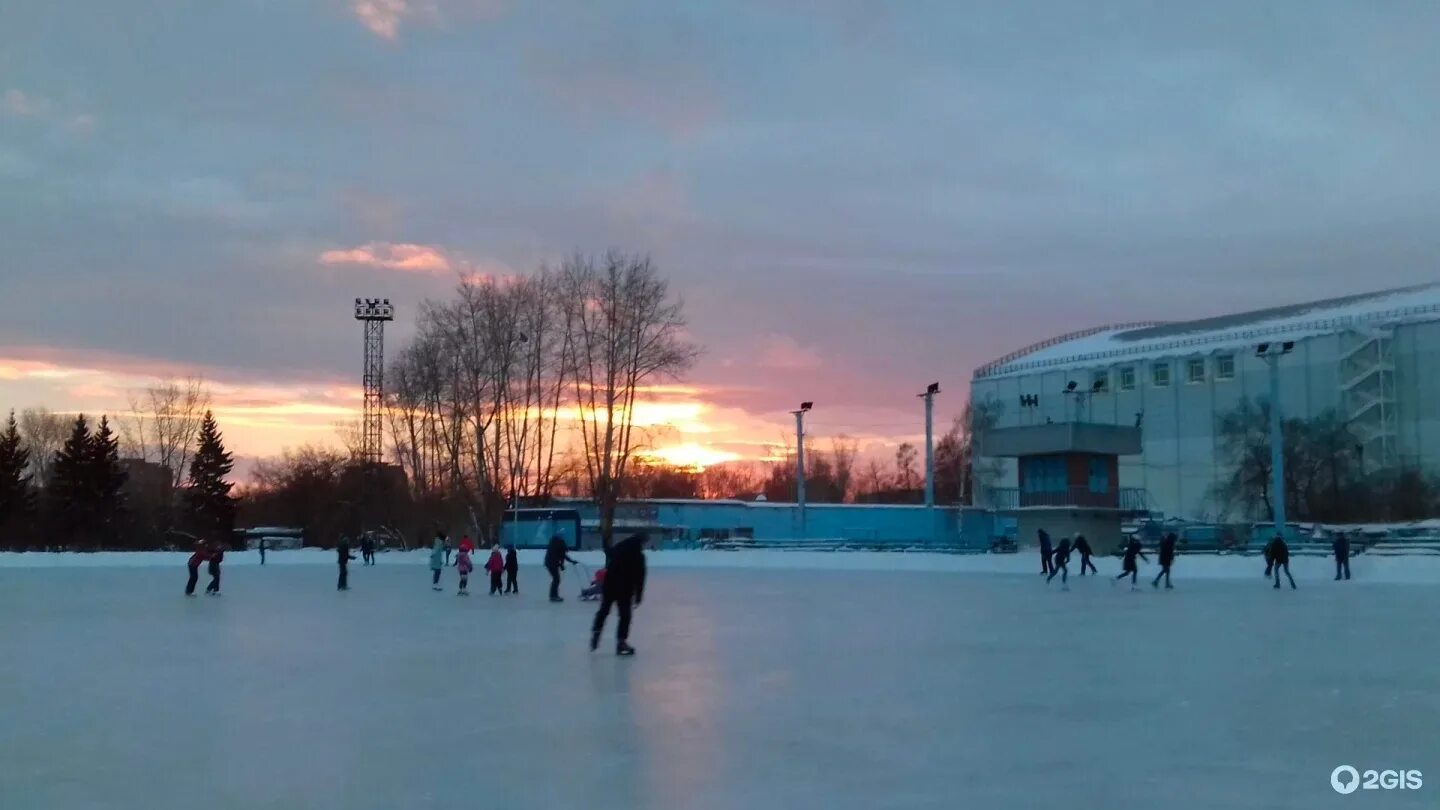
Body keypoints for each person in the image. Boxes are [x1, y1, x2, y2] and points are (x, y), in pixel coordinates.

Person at [591, 534, 647, 656]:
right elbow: (640, 577)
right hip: (625, 589)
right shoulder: (639, 556)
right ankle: (621, 642)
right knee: (625, 616)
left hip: (609, 585)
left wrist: (605, 539)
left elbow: (608, 551)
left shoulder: (619, 548)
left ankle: (596, 632)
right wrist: (638, 596)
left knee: (604, 610)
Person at [545, 534, 578, 603]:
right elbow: (562, 556)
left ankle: (553, 595)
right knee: (556, 579)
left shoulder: (555, 545)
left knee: (556, 579)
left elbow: (561, 556)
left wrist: (562, 565)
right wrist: (563, 564)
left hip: (549, 563)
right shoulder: (560, 546)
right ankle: (553, 596)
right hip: (552, 564)